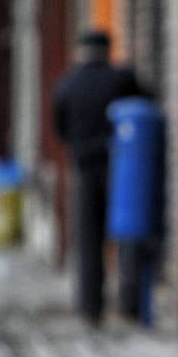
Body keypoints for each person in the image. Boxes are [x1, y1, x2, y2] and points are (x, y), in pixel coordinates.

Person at [52, 29, 143, 325]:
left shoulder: (68, 84)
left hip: (84, 168)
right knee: (128, 232)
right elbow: (145, 108)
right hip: (122, 168)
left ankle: (91, 306)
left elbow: (60, 128)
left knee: (88, 240)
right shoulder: (122, 79)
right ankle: (130, 302)